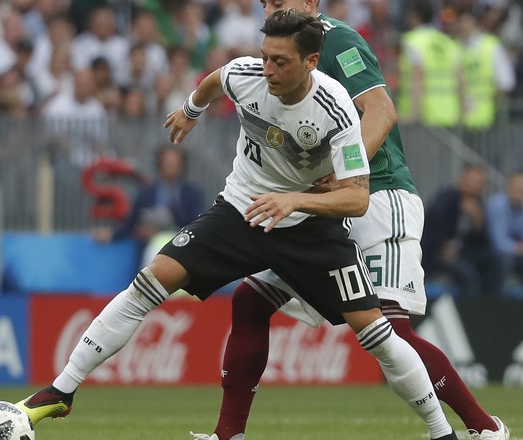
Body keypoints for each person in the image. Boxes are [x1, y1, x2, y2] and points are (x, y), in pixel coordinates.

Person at [16, 10, 457, 440]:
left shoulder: (335, 108)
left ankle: (442, 433)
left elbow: (357, 198)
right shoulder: (245, 74)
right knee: (149, 284)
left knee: (378, 334)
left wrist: (295, 201)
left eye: (280, 61)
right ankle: (61, 390)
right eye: (265, 56)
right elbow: (213, 81)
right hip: (240, 211)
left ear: (310, 62)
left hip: (308, 227)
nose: (267, 69)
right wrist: (190, 110)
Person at [191, 2, 509, 440]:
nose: (272, 7)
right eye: (266, 1)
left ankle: (484, 429)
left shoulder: (335, 38)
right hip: (322, 208)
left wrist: (346, 176)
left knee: (390, 329)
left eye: (282, 1)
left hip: (378, 196)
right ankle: (228, 435)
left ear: (311, 3)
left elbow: (381, 111)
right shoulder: (280, 49)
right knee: (251, 300)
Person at [92, 144, 206, 268]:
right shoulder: (147, 192)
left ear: (182, 165)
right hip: (150, 252)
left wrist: (165, 229)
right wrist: (113, 234)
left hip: (183, 251)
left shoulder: (193, 193)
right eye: (167, 161)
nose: (171, 166)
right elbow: (132, 222)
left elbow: (197, 225)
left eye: (175, 162)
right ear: (159, 163)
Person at [422, 164, 503, 298]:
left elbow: (484, 242)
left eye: (478, 183)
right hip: (438, 254)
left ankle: (493, 307)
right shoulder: (447, 198)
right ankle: (471, 312)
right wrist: (443, 248)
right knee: (467, 273)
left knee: (495, 262)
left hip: (464, 252)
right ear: (462, 180)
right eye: (471, 181)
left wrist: (478, 223)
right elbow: (433, 226)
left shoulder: (480, 205)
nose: (474, 186)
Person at [397, 0, 463, 128]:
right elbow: (460, 78)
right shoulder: (447, 41)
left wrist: (413, 113)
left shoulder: (412, 40)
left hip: (425, 119)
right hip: (450, 115)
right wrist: (462, 114)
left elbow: (417, 76)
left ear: (413, 15)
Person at [485, 170, 523, 297]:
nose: (519, 192)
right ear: (508, 188)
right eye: (516, 188)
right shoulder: (497, 204)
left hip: (516, 252)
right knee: (503, 260)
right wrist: (518, 248)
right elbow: (498, 242)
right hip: (493, 251)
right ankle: (500, 302)